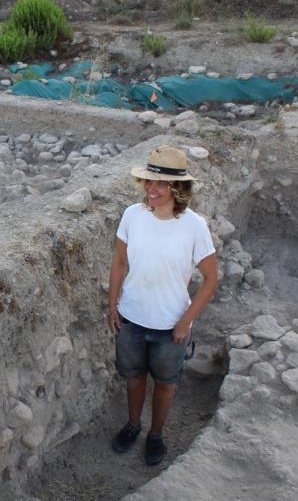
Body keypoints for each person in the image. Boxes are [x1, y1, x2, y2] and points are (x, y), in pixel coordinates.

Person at [107, 145, 218, 466]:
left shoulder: (194, 226)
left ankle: (155, 434)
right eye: (148, 182)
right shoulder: (132, 215)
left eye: (160, 183)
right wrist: (112, 305)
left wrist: (185, 321)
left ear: (177, 188)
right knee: (134, 377)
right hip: (131, 318)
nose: (151, 189)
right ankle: (132, 425)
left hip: (171, 326)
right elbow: (118, 262)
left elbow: (211, 279)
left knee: (166, 385)